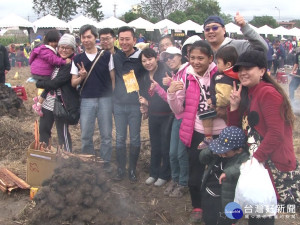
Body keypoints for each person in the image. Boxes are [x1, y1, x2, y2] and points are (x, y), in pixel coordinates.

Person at [228, 49, 297, 225]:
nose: (242, 72)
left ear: (262, 71)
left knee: (263, 216)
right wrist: (234, 107)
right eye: (240, 69)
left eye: (248, 68)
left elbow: (276, 134)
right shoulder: (250, 92)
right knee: (257, 214)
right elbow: (238, 132)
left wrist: (256, 160)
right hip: (260, 164)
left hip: (270, 165)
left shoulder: (268, 93)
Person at [167, 40, 226, 223]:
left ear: (210, 58)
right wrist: (171, 94)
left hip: (221, 133)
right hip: (197, 133)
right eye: (192, 58)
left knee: (220, 175)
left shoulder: (222, 75)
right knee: (195, 175)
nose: (196, 62)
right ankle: (198, 208)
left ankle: (221, 210)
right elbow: (178, 111)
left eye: (201, 58)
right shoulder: (187, 77)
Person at [71, 24, 115, 172]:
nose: (86, 40)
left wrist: (112, 96)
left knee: (106, 134)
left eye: (89, 36)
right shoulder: (77, 58)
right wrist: (81, 77)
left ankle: (104, 163)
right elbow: (73, 82)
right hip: (87, 100)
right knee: (85, 135)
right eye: (83, 37)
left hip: (105, 99)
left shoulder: (106, 55)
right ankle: (88, 163)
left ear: (95, 38)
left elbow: (112, 78)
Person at [36, 34, 80, 152]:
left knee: (62, 132)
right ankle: (44, 152)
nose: (64, 50)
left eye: (67, 48)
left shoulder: (70, 64)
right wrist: (42, 97)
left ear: (73, 50)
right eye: (61, 47)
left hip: (62, 103)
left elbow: (55, 83)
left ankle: (67, 156)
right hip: (48, 103)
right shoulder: (56, 62)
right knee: (44, 129)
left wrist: (39, 83)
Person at [113, 26, 146, 182]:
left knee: (135, 138)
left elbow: (146, 79)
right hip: (118, 105)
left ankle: (132, 169)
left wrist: (145, 101)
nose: (124, 42)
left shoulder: (141, 58)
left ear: (134, 40)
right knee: (119, 138)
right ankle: (120, 169)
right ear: (118, 40)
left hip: (134, 105)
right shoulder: (116, 56)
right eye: (122, 39)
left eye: (127, 39)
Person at [199, 126, 249, 225]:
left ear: (238, 150)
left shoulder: (243, 158)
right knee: (208, 218)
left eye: (225, 151)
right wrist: (212, 150)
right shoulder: (217, 152)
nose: (222, 153)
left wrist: (228, 172)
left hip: (226, 198)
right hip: (209, 192)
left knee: (225, 220)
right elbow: (202, 159)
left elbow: (244, 167)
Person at [158, 46, 190, 197]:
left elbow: (178, 106)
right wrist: (160, 88)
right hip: (178, 118)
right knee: (172, 153)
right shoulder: (176, 75)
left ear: (180, 56)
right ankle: (175, 179)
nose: (169, 60)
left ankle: (183, 183)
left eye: (172, 56)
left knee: (181, 154)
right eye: (166, 58)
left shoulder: (187, 72)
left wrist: (171, 88)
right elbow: (172, 101)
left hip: (186, 119)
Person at [138, 48, 173, 187]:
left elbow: (167, 98)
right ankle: (153, 173)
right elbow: (145, 96)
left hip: (167, 115)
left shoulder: (164, 73)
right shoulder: (145, 77)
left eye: (150, 59)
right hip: (153, 116)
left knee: (165, 146)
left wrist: (148, 103)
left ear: (156, 58)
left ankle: (164, 175)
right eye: (144, 61)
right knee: (155, 145)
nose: (147, 63)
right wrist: (145, 106)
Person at [198, 46, 239, 149]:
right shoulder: (231, 75)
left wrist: (214, 100)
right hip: (229, 107)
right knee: (230, 122)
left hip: (223, 106)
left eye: (219, 63)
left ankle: (208, 138)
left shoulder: (223, 78)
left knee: (205, 116)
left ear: (228, 64)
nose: (216, 65)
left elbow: (224, 97)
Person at [30, 30, 71, 117]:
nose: (53, 44)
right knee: (50, 85)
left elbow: (32, 57)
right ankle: (38, 103)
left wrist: (31, 64)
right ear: (47, 41)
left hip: (37, 71)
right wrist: (64, 62)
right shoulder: (47, 50)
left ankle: (39, 98)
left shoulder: (41, 48)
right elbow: (54, 60)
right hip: (41, 73)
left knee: (49, 85)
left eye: (55, 41)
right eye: (51, 41)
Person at [203, 13, 268, 59]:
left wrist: (244, 26)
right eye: (207, 29)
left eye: (215, 28)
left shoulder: (239, 46)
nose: (211, 31)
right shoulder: (202, 49)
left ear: (224, 30)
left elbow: (262, 48)